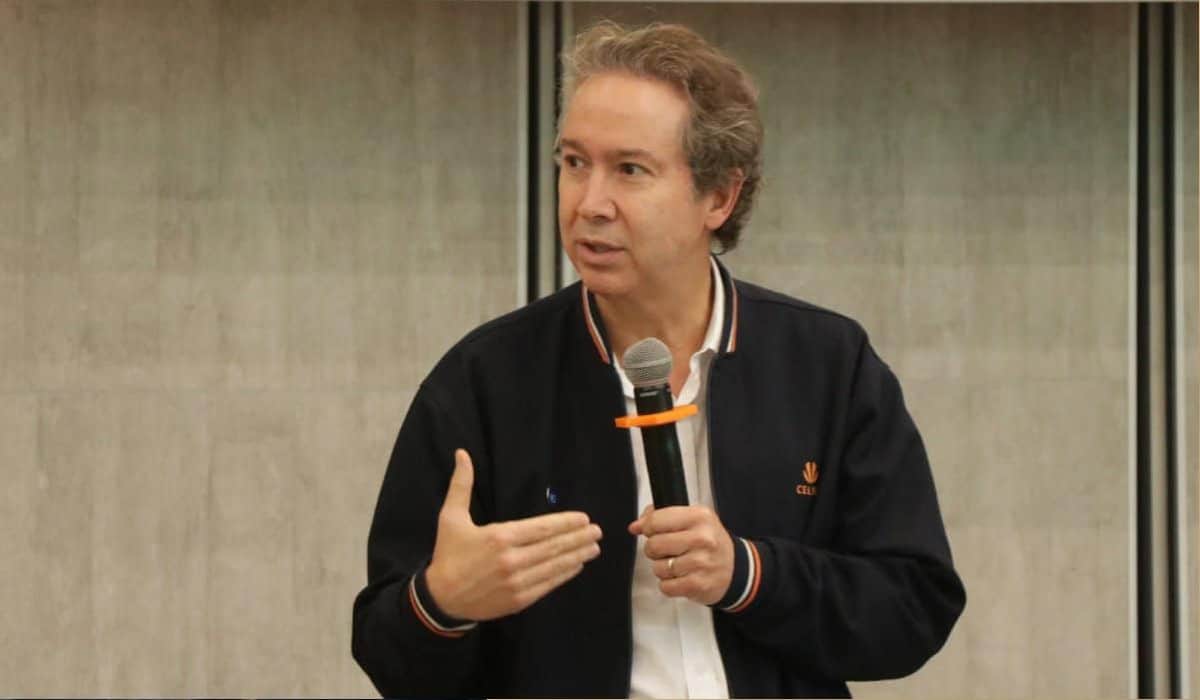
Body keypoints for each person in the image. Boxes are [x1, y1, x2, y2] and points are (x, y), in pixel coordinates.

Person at [352, 20, 965, 699]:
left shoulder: (827, 364)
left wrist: (748, 574)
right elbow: (387, 653)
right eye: (574, 163)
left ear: (719, 197)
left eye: (630, 170)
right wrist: (443, 603)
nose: (590, 204)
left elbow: (914, 607)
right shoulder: (485, 381)